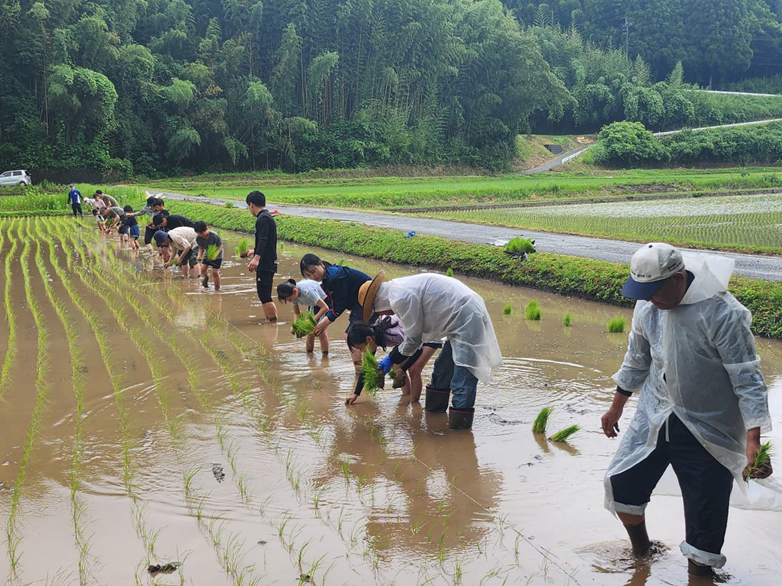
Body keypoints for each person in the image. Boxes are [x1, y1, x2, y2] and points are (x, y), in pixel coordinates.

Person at [601, 243, 772, 578]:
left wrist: (754, 439)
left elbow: (747, 378)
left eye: (655, 291)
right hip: (656, 416)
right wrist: (616, 407)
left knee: (705, 523)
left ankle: (700, 575)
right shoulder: (648, 305)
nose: (650, 300)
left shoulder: (723, 313)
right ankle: (642, 553)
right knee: (622, 485)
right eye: (644, 293)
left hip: (709, 427)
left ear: (678, 279)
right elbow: (638, 358)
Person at [358, 271, 502, 430]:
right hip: (456, 320)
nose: (381, 314)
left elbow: (414, 339)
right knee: (441, 371)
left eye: (376, 311)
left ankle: (460, 434)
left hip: (467, 316)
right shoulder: (397, 290)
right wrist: (394, 362)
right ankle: (434, 422)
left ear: (378, 302)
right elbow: (416, 339)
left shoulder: (401, 298)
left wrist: (391, 359)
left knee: (462, 379)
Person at [300, 253, 372, 376]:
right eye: (308, 276)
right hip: (359, 302)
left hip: (367, 299)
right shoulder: (327, 278)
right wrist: (312, 322)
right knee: (358, 335)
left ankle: (360, 372)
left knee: (350, 335)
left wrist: (325, 321)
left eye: (313, 271)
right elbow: (330, 303)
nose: (313, 276)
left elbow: (340, 304)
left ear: (320, 264)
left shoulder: (335, 278)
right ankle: (365, 369)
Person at [345, 320, 441, 405]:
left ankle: (414, 404)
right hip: (413, 340)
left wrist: (403, 369)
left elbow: (416, 350)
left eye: (360, 348)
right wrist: (356, 394)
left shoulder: (393, 334)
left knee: (414, 369)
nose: (362, 351)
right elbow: (365, 368)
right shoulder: (373, 336)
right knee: (396, 366)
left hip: (429, 336)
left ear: (369, 339)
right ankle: (406, 396)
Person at [246, 191, 278, 323]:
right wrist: (253, 251)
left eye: (248, 207)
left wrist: (256, 259)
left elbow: (264, 239)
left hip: (265, 262)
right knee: (263, 294)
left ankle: (273, 324)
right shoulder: (267, 216)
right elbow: (267, 241)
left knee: (264, 295)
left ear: (251, 205)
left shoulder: (263, 218)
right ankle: (269, 321)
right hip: (268, 260)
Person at [277, 278, 330, 355]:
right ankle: (309, 355)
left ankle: (325, 357)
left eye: (290, 299)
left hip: (325, 302)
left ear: (295, 291)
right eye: (289, 300)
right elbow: (296, 313)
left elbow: (325, 308)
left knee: (321, 331)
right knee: (309, 332)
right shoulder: (292, 295)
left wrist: (311, 320)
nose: (291, 301)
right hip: (312, 304)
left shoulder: (308, 291)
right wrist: (295, 326)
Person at [194, 221, 223, 291]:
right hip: (207, 254)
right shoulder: (199, 238)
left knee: (215, 272)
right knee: (202, 270)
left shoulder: (214, 236)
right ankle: (207, 276)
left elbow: (220, 247)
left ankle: (217, 289)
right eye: (199, 233)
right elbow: (201, 247)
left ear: (207, 229)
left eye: (202, 233)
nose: (202, 235)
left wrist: (215, 255)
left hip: (218, 255)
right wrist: (199, 256)